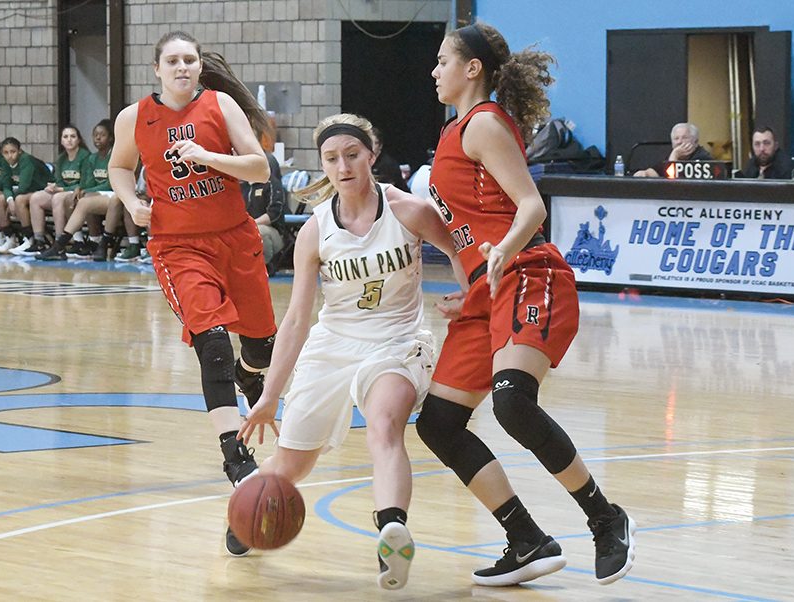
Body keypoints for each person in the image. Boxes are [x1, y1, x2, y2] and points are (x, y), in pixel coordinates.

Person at [417, 22, 636, 587]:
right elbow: (469, 227)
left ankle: (605, 519)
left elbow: (531, 206)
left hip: (528, 271)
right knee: (439, 423)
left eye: (443, 60)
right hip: (487, 290)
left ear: (473, 69)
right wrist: (470, 285)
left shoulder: (484, 123)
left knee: (514, 403)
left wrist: (501, 254)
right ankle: (525, 539)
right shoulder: (452, 134)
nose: (434, 70)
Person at [237, 113, 467, 590]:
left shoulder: (409, 210)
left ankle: (391, 532)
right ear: (323, 163)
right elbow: (298, 319)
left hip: (398, 342)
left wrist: (470, 294)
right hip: (332, 344)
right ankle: (249, 513)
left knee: (384, 425)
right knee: (292, 465)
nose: (343, 166)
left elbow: (461, 253)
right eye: (331, 158)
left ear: (372, 154)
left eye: (352, 155)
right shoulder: (315, 231)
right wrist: (268, 396)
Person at [108, 31, 277, 556]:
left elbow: (259, 168)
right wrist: (130, 198)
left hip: (236, 237)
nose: (182, 67)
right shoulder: (134, 118)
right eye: (173, 61)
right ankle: (237, 462)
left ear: (200, 67)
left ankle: (252, 379)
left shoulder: (220, 104)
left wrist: (208, 155)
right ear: (157, 69)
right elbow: (118, 164)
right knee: (213, 343)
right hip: (178, 246)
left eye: (190, 59)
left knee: (259, 351)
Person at [36, 119, 119, 261]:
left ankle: (60, 244)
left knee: (84, 201)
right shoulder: (93, 158)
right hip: (102, 193)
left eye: (102, 135)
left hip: (115, 193)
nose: (98, 138)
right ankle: (81, 240)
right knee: (72, 198)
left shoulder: (115, 155)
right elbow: (90, 182)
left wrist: (86, 191)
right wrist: (82, 189)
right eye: (95, 135)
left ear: (110, 137)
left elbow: (111, 184)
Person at [23, 125, 91, 256]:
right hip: (64, 191)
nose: (69, 140)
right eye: (65, 137)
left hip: (80, 193)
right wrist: (53, 187)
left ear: (79, 140)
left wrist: (60, 189)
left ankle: (60, 243)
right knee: (36, 197)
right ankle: (39, 241)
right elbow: (59, 181)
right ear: (61, 141)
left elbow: (84, 183)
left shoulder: (85, 156)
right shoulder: (61, 158)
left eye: (73, 136)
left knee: (57, 198)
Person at [0, 137, 54, 254]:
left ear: (19, 151)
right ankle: (10, 238)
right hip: (28, 191)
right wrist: (10, 199)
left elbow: (23, 187)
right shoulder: (5, 162)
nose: (10, 156)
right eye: (6, 153)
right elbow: (5, 185)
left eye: (13, 152)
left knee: (19, 200)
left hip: (44, 189)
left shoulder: (26, 160)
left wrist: (13, 199)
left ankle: (29, 238)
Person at [242, 151, 287, 274]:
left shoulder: (273, 184)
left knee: (260, 231)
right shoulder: (243, 186)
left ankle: (265, 266)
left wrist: (252, 224)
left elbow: (274, 213)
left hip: (273, 231)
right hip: (247, 228)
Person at [633, 122, 712, 177]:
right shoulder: (674, 154)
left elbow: (672, 180)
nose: (679, 142)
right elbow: (657, 171)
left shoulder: (703, 158)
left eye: (685, 138)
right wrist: (645, 173)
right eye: (676, 138)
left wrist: (675, 156)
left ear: (695, 142)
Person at [371, 126, 410, 192]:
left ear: (380, 145)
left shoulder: (388, 164)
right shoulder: (361, 162)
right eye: (369, 142)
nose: (372, 147)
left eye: (375, 143)